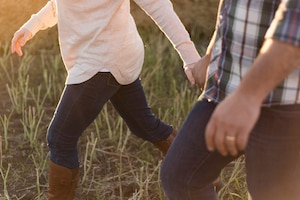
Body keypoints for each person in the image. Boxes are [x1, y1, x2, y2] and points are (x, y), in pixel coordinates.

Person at [11, 0, 202, 199]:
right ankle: (203, 175)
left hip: (102, 60)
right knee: (144, 125)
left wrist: (191, 58)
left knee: (59, 137)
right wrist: (31, 26)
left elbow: (157, 4)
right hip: (113, 54)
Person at [161, 0, 300, 199]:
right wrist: (211, 53)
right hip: (225, 87)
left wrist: (247, 97)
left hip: (283, 101)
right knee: (181, 177)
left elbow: (295, 30)